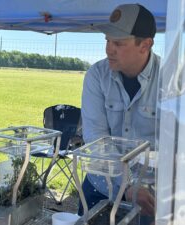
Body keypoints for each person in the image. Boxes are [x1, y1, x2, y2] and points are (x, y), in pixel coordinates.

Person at [79, 3, 159, 224]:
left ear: (145, 44)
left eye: (118, 43)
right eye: (107, 40)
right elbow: (96, 138)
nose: (108, 49)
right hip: (101, 185)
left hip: (149, 195)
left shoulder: (172, 81)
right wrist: (127, 185)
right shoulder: (97, 76)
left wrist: (139, 187)